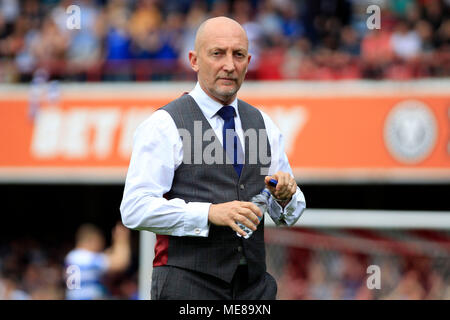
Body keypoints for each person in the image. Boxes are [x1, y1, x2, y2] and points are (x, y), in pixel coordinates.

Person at [120, 16, 306, 300]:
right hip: (187, 285)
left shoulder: (264, 125)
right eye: (217, 53)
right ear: (194, 60)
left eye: (238, 55)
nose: (229, 65)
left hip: (254, 288)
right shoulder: (164, 124)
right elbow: (134, 208)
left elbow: (290, 212)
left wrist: (284, 195)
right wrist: (208, 213)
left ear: (249, 60)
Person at [64, 222, 130, 300]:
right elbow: (120, 263)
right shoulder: (85, 257)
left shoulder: (72, 256)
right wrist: (122, 239)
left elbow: (105, 256)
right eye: (99, 242)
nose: (101, 246)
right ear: (91, 240)